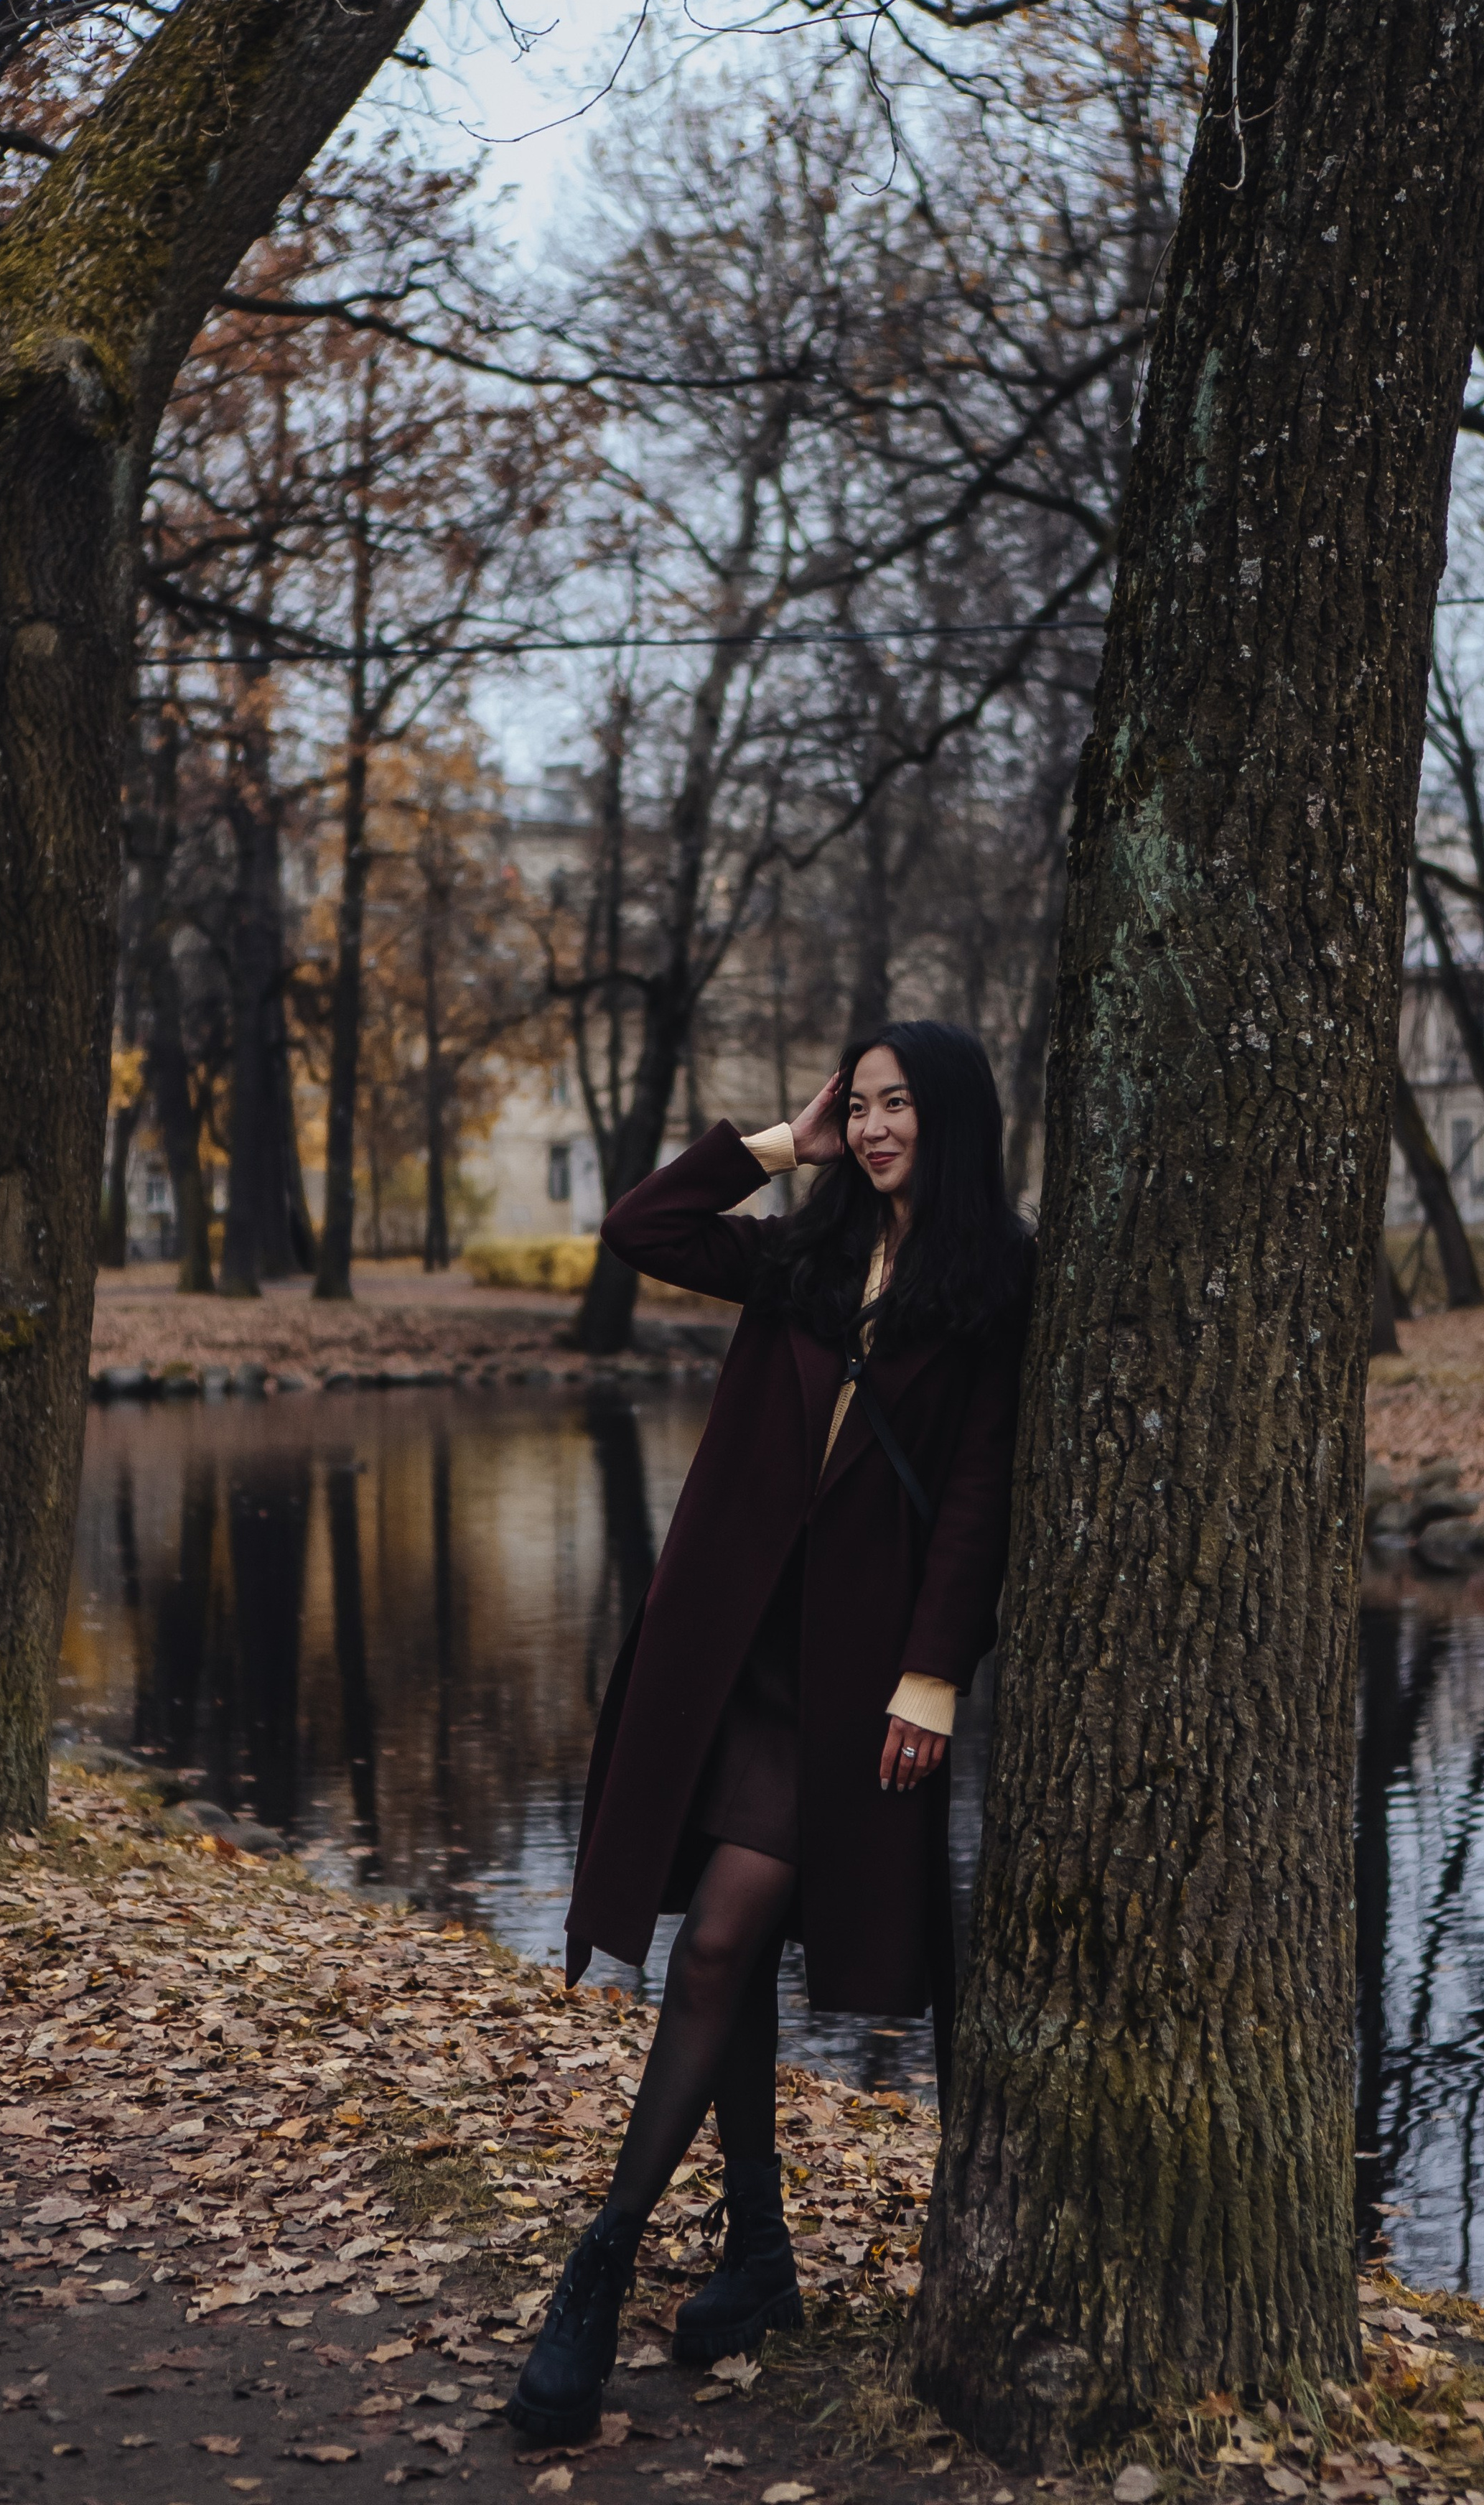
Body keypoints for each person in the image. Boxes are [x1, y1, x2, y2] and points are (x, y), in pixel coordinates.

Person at [506, 1019, 1034, 2443]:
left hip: (853, 1669)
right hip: (729, 1643)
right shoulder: (799, 1251)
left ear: (954, 1119)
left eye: (897, 1106)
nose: (871, 1130)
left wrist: (932, 1677)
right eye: (854, 1107)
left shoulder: (993, 1283)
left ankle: (599, 2266)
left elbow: (978, 1492)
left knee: (728, 1936)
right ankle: (755, 2256)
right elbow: (640, 1226)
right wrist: (770, 1146)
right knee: (716, 1945)